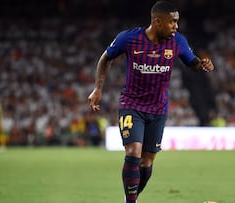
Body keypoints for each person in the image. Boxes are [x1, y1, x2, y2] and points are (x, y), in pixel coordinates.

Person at [87, 1, 214, 202]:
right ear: (157, 21)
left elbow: (192, 63)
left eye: (177, 22)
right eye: (172, 22)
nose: (176, 26)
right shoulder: (129, 39)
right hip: (132, 105)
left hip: (158, 109)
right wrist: (98, 88)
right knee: (133, 151)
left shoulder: (178, 42)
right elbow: (105, 58)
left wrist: (202, 64)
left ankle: (132, 197)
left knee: (146, 163)